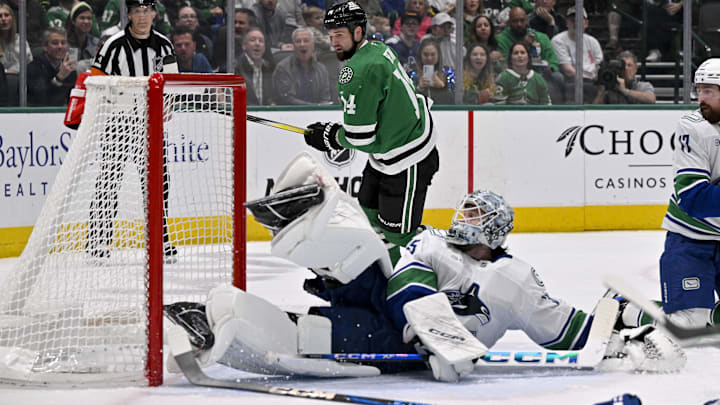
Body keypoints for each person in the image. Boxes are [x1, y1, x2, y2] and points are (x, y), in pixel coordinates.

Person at [163, 161, 686, 383]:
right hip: (400, 312)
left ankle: (218, 326)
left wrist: (618, 327)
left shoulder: (516, 280)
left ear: (497, 231)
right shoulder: (433, 242)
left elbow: (565, 329)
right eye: (467, 210)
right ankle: (300, 207)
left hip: (394, 337)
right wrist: (427, 324)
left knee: (316, 334)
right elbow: (403, 273)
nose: (465, 220)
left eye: (478, 217)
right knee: (366, 253)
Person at [303, 1, 439, 265]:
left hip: (409, 157)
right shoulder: (378, 48)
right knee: (366, 215)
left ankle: (435, 272)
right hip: (389, 152)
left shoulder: (358, 72)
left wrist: (329, 137)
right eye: (331, 36)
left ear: (357, 32)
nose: (334, 42)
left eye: (339, 35)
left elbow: (359, 138)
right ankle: (381, 274)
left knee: (399, 236)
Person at [88, 0, 177, 259]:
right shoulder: (113, 45)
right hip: (119, 123)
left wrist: (165, 109)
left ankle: (161, 239)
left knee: (159, 183)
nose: (141, 16)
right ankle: (99, 240)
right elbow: (94, 80)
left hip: (150, 125)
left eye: (146, 11)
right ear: (128, 15)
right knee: (109, 181)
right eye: (136, 11)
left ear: (153, 14)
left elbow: (171, 82)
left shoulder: (164, 44)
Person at [657, 57, 720, 330]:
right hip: (691, 239)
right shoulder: (694, 127)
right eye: (700, 90)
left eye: (709, 91)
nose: (701, 98)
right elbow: (693, 199)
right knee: (689, 324)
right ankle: (628, 309)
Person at [496, 6, 563, 103]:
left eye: (522, 20)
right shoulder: (501, 39)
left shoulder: (541, 37)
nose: (519, 24)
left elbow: (553, 60)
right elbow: (503, 64)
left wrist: (551, 68)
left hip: (541, 76)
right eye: (515, 21)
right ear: (509, 22)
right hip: (513, 78)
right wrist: (524, 44)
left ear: (527, 20)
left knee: (557, 77)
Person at [550, 6, 603, 104]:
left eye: (579, 20)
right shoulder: (558, 40)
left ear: (586, 23)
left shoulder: (593, 41)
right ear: (567, 23)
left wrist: (596, 77)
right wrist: (589, 77)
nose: (576, 23)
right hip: (571, 82)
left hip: (592, 81)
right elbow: (568, 70)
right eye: (572, 20)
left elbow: (598, 65)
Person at [273, 27, 332, 105]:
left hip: (318, 114)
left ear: (313, 45)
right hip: (290, 114)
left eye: (306, 41)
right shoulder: (283, 68)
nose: (302, 44)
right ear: (293, 45)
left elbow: (325, 98)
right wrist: (315, 107)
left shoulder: (322, 69)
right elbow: (287, 99)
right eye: (298, 41)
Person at [27, 28, 77, 106]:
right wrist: (59, 78)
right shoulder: (34, 67)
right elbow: (41, 99)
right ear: (45, 47)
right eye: (55, 43)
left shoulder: (69, 68)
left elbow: (73, 98)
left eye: (63, 43)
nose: (60, 46)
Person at [236, 27, 276, 105]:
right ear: (244, 46)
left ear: (264, 47)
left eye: (261, 41)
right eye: (252, 40)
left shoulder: (269, 67)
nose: (257, 43)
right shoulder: (235, 67)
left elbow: (271, 97)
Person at [213, 7, 257, 72]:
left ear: (251, 26)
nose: (236, 25)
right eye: (234, 22)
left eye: (241, 23)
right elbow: (220, 63)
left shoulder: (259, 39)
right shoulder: (223, 35)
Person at [412, 39, 454, 104]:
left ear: (438, 55)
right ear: (420, 55)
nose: (429, 58)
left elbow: (454, 101)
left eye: (433, 54)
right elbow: (409, 100)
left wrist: (442, 87)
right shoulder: (413, 74)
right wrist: (419, 88)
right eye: (426, 55)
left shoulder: (448, 73)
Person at [65, 2, 100, 73]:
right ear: (73, 21)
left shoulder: (96, 42)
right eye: (82, 18)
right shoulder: (64, 43)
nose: (86, 21)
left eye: (89, 18)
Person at [0, 3, 32, 75]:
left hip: (20, 80)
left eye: (6, 15)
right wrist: (6, 72)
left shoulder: (21, 40)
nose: (3, 19)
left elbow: (29, 64)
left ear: (12, 18)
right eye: (0, 16)